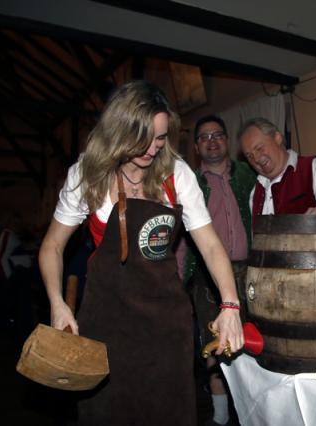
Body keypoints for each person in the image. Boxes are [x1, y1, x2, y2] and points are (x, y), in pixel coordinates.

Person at [38, 80, 243, 426]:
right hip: (106, 320)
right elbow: (52, 246)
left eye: (160, 138)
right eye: (142, 138)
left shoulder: (176, 173)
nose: (152, 149)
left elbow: (210, 245)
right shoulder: (87, 174)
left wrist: (230, 304)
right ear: (118, 130)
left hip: (166, 323)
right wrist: (57, 304)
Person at [178, 115, 256, 426]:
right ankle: (221, 417)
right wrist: (178, 282)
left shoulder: (249, 176)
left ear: (227, 140)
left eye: (218, 135)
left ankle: (253, 411)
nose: (212, 141)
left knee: (253, 342)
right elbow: (180, 242)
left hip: (252, 273)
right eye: (204, 137)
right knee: (214, 345)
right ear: (197, 147)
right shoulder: (189, 184)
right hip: (207, 279)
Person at [238, 117, 316, 216]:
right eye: (249, 156)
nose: (256, 159)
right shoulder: (256, 192)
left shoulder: (311, 168)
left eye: (259, 148)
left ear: (277, 138)